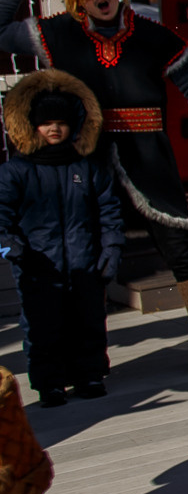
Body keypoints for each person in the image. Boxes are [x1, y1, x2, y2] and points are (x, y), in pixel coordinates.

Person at [0, 0, 188, 370]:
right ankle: (90, 356)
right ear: (77, 2)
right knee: (86, 257)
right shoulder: (54, 33)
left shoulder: (151, 35)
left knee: (178, 246)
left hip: (149, 161)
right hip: (86, 161)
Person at [0, 71, 124, 408]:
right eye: (46, 123)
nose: (54, 129)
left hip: (85, 260)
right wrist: (14, 252)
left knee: (88, 321)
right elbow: (0, 224)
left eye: (61, 122)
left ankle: (90, 374)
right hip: (38, 267)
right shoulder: (16, 172)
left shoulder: (88, 168)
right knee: (42, 326)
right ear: (32, 126)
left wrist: (111, 249)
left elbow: (110, 212)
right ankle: (49, 383)